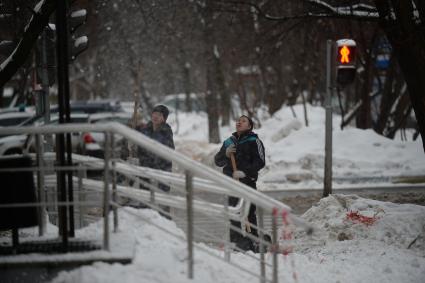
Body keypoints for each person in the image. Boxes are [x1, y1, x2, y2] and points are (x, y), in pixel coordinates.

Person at [214, 115, 265, 252]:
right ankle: (236, 240)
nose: (239, 122)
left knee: (249, 212)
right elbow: (218, 161)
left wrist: (245, 172)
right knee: (233, 212)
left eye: (243, 121)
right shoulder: (229, 142)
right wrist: (225, 153)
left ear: (249, 126)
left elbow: (260, 161)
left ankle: (254, 239)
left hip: (248, 182)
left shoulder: (254, 141)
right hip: (231, 183)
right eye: (238, 120)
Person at [137, 105, 175, 192]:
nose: (155, 116)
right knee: (144, 196)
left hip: (162, 168)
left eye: (159, 115)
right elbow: (139, 145)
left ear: (164, 118)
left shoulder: (166, 131)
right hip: (146, 167)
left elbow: (166, 149)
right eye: (154, 113)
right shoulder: (145, 129)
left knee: (162, 198)